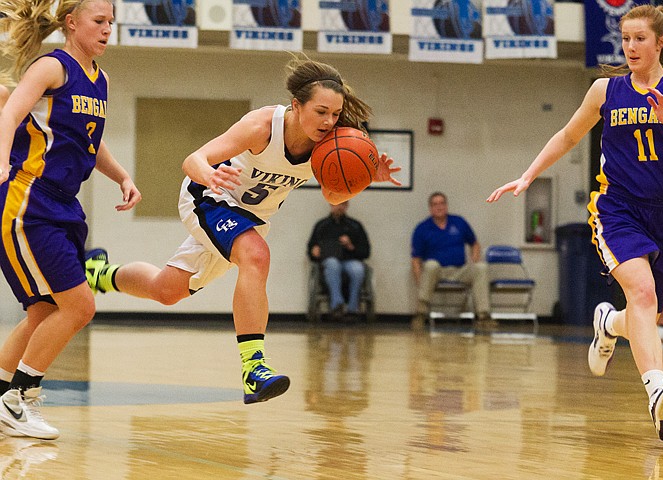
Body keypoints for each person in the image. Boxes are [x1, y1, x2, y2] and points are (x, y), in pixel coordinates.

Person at [82, 57, 401, 405]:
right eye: (322, 111)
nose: (330, 122)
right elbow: (193, 160)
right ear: (297, 105)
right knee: (256, 255)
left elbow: (332, 193)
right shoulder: (263, 126)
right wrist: (209, 174)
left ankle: (100, 274)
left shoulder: (330, 145)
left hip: (248, 219)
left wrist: (366, 177)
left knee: (167, 290)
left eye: (336, 114)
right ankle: (254, 369)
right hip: (208, 197)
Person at [487, 5, 663, 440]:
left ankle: (608, 323)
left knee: (642, 313)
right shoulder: (604, 91)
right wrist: (528, 174)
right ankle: (656, 389)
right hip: (619, 208)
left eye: (640, 39)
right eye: (626, 38)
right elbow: (568, 136)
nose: (630, 46)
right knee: (645, 293)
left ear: (660, 42)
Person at [0, 0, 141, 440]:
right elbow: (11, 112)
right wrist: (2, 160)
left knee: (45, 310)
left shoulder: (100, 81)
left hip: (63, 203)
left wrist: (122, 175)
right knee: (79, 306)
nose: (106, 30)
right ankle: (20, 398)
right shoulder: (51, 67)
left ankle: (3, 394)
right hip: (28, 197)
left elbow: (88, 143)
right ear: (71, 23)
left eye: (111, 23)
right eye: (99, 22)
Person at [411, 192, 491, 324]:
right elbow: (415, 259)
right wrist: (421, 282)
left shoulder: (459, 222)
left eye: (442, 203)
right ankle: (421, 313)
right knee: (431, 265)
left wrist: (475, 258)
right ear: (430, 208)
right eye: (435, 204)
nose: (439, 207)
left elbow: (474, 244)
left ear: (446, 206)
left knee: (481, 267)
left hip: (460, 270)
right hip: (437, 272)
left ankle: (483, 315)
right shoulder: (422, 228)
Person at [307, 200, 370, 319]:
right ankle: (337, 305)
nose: (339, 207)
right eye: (337, 203)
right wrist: (314, 252)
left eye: (343, 204)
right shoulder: (322, 226)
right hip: (330, 263)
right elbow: (311, 250)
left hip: (350, 260)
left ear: (347, 206)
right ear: (331, 204)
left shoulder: (355, 226)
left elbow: (366, 252)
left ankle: (353, 309)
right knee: (332, 264)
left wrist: (351, 246)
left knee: (357, 269)